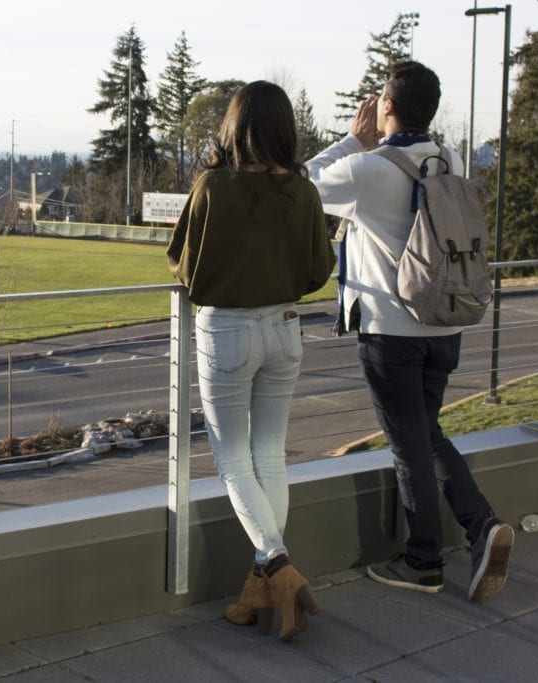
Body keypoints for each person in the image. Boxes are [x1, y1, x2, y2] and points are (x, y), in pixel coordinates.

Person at [306, 61, 514, 602]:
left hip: (390, 332)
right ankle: (481, 526)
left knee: (409, 447)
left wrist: (352, 141)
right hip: (444, 324)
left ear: (387, 107)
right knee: (426, 433)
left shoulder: (368, 169)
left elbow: (300, 187)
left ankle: (423, 561)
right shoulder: (448, 160)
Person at [167, 80, 336, 640]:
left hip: (229, 331)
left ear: (234, 127)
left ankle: (280, 571)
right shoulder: (304, 192)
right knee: (270, 456)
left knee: (236, 463)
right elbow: (318, 272)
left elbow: (186, 267)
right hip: (285, 327)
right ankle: (260, 588)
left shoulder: (213, 186)